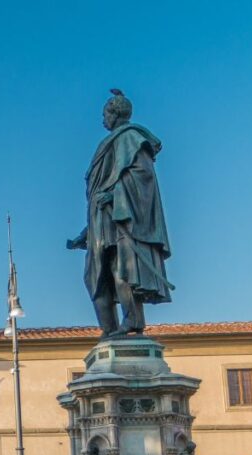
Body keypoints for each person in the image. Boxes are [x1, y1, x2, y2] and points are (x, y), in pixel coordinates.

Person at [67, 89, 173, 338]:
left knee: (122, 270)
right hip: (100, 224)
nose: (102, 118)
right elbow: (99, 192)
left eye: (104, 113)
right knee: (95, 278)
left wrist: (115, 198)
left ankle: (132, 322)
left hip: (120, 220)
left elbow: (143, 176)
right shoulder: (112, 142)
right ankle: (109, 330)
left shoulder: (130, 138)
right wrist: (86, 232)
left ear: (114, 113)